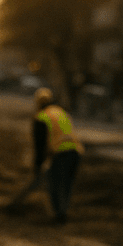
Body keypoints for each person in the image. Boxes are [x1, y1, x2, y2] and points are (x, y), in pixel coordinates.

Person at [32, 87, 82, 223]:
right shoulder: (61, 112)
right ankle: (63, 212)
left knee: (54, 184)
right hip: (76, 151)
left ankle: (59, 215)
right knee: (66, 185)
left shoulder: (41, 117)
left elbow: (39, 145)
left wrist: (37, 166)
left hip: (61, 153)